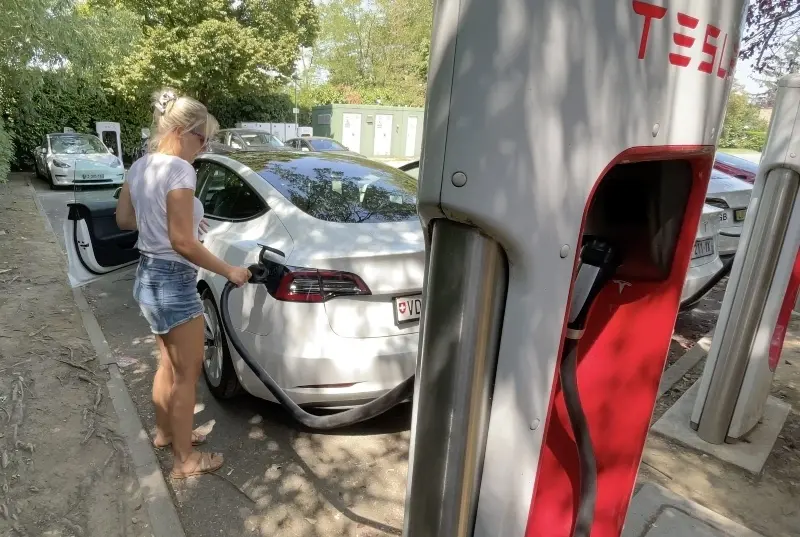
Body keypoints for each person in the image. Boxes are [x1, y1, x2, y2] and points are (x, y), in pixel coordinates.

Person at [114, 89, 250, 479]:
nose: (203, 146)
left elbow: (125, 220)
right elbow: (183, 243)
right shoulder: (179, 169)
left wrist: (169, 224)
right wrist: (231, 271)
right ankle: (185, 460)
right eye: (201, 137)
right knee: (187, 377)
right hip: (173, 281)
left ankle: (165, 434)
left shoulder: (140, 166)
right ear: (180, 131)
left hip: (149, 278)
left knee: (167, 367)